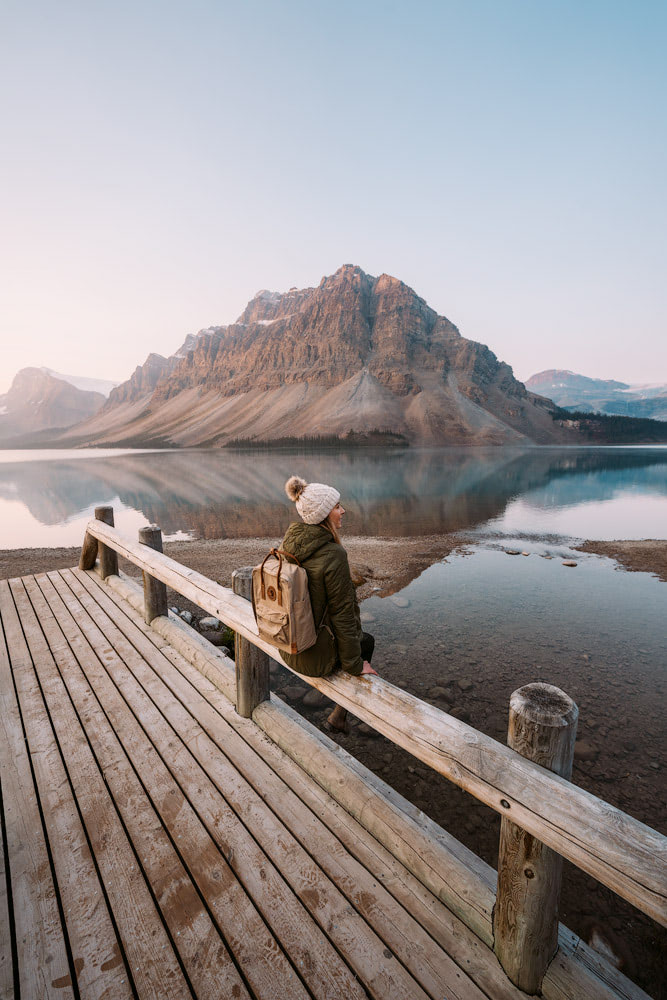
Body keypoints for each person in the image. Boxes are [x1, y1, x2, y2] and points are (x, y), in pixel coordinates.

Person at [280, 474, 377, 733]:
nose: (343, 511)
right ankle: (339, 715)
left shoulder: (290, 544)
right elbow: (343, 617)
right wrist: (356, 665)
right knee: (366, 642)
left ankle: (338, 715)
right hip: (312, 659)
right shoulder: (333, 554)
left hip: (286, 646)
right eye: (337, 507)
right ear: (324, 515)